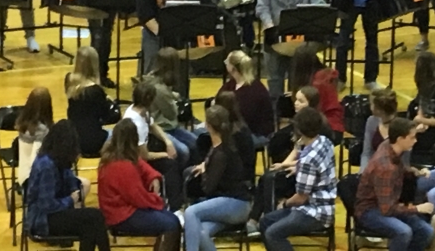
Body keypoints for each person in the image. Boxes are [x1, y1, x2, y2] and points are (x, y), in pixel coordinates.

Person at [245, 87, 332, 237]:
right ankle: (257, 219)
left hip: (308, 180)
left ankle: (267, 219)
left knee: (271, 180)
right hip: (301, 169)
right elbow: (297, 149)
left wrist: (296, 166)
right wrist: (283, 164)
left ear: (311, 104)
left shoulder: (318, 127)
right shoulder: (302, 123)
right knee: (269, 174)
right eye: (296, 100)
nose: (296, 104)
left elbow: (311, 161)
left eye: (300, 101)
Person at [258, 108, 337, 251]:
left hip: (315, 212)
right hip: (322, 204)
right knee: (265, 222)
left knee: (272, 234)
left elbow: (300, 198)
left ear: (299, 130)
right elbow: (316, 166)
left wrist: (284, 204)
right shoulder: (325, 142)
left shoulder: (308, 160)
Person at [25, 120, 110, 251]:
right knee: (95, 217)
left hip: (56, 213)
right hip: (43, 220)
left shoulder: (59, 159)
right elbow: (47, 205)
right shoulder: (46, 165)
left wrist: (74, 188)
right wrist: (71, 199)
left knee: (91, 225)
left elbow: (70, 180)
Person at [97, 119, 181, 251]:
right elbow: (138, 197)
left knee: (172, 221)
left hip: (124, 209)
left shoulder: (118, 155)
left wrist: (153, 177)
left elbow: (143, 166)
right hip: (121, 215)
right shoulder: (123, 166)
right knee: (171, 224)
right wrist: (157, 200)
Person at [255, 0, 327, 103]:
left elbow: (319, 5)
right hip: (275, 34)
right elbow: (262, 6)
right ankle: (276, 110)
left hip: (299, 37)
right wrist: (269, 25)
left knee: (299, 79)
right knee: (275, 78)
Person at [354, 118, 435, 251]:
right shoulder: (386, 167)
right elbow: (387, 210)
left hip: (385, 204)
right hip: (370, 210)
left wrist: (416, 172)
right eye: (412, 137)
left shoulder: (388, 145)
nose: (415, 141)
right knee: (403, 232)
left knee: (426, 231)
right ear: (399, 139)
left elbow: (400, 168)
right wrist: (417, 209)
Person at [182, 105, 253, 251]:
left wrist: (205, 171)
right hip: (230, 205)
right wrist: (206, 167)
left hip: (236, 204)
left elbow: (208, 188)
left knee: (191, 212)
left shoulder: (220, 153)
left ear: (208, 126)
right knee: (200, 232)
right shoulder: (224, 145)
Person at [123, 81, 186, 211]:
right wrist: (166, 154)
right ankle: (174, 206)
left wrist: (168, 142)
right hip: (134, 158)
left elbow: (152, 125)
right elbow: (144, 156)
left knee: (179, 150)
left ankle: (181, 196)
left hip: (145, 146)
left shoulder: (140, 110)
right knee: (171, 164)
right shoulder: (136, 123)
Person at [146, 47, 198, 165]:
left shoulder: (152, 77)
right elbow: (171, 114)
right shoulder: (160, 89)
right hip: (161, 128)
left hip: (169, 125)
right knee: (183, 151)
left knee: (195, 142)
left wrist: (172, 96)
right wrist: (175, 103)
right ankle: (180, 176)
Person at [66, 47, 119, 157]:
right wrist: (111, 103)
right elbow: (108, 117)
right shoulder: (95, 90)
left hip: (73, 140)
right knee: (120, 134)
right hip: (94, 142)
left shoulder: (69, 80)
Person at [290, 43, 344, 137]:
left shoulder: (318, 83)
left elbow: (314, 109)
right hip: (331, 124)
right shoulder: (321, 76)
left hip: (327, 127)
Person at [218, 50, 274, 140]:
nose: (225, 64)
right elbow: (218, 99)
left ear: (233, 68)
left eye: (226, 62)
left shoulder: (255, 89)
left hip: (254, 132)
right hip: (237, 127)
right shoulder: (232, 83)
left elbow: (246, 117)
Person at [18, 87, 55, 183]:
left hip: (22, 175)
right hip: (35, 180)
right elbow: (35, 161)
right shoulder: (42, 130)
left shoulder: (23, 122)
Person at [361, 88, 402, 172]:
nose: (370, 107)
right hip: (373, 170)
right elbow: (367, 153)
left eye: (371, 104)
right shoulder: (371, 121)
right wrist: (363, 172)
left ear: (380, 110)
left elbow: (403, 162)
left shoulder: (402, 126)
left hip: (394, 173)